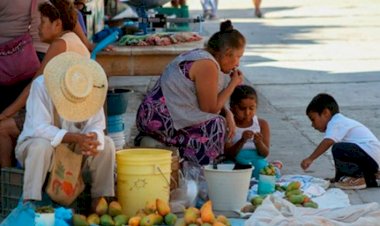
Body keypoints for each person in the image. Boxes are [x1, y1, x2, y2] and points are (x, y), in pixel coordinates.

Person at [135, 20, 245, 166]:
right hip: (158, 118)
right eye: (238, 57)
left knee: (221, 119)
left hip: (154, 114)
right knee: (216, 125)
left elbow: (208, 100)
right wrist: (232, 84)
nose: (238, 64)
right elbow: (210, 109)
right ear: (227, 54)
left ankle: (193, 165)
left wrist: (228, 112)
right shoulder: (207, 65)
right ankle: (203, 172)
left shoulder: (202, 55)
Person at [0, 0, 91, 168]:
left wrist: (7, 112)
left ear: (57, 24)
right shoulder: (71, 40)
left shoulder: (60, 44)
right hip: (66, 116)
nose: (37, 28)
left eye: (42, 22)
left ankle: (8, 182)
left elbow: (34, 85)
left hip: (60, 121)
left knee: (2, 128)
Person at [15, 51, 115, 204]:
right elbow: (39, 128)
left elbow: (96, 125)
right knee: (40, 146)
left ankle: (100, 201)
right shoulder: (41, 86)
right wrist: (75, 137)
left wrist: (92, 138)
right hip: (40, 147)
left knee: (106, 144)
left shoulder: (90, 89)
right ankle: (30, 202)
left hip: (74, 150)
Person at [301, 93, 380, 189]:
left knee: (338, 148)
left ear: (326, 113)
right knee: (340, 150)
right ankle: (371, 178)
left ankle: (357, 179)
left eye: (313, 119)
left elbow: (328, 141)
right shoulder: (340, 122)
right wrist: (337, 178)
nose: (312, 125)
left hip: (369, 155)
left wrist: (310, 158)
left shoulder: (336, 122)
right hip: (372, 158)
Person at [224, 85, 270, 179]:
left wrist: (258, 143)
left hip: (256, 161)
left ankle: (274, 166)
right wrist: (242, 141)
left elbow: (265, 153)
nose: (247, 112)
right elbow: (228, 154)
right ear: (232, 107)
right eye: (242, 108)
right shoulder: (228, 125)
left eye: (251, 108)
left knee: (262, 170)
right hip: (235, 161)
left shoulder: (261, 124)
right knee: (229, 171)